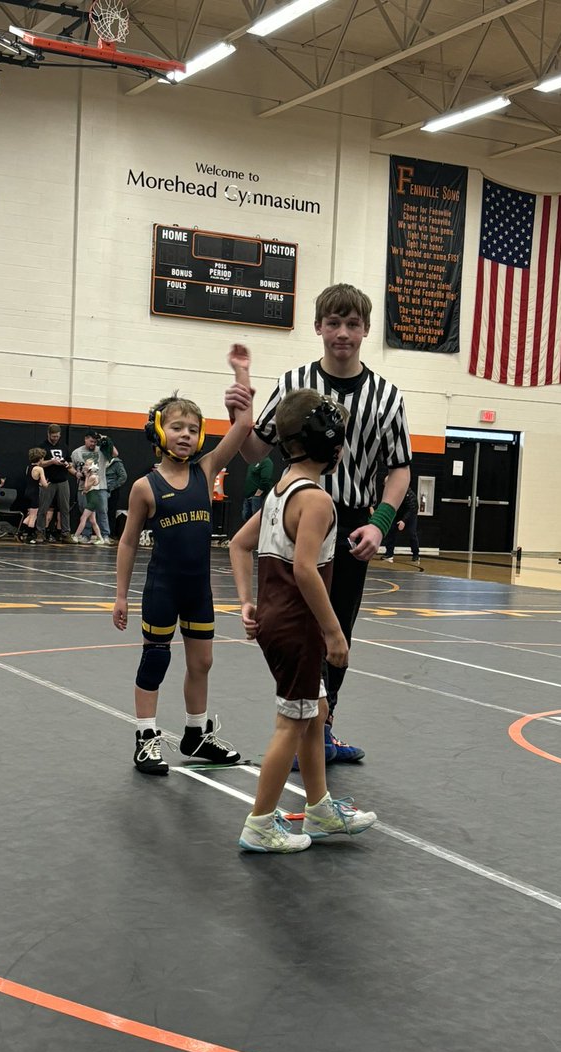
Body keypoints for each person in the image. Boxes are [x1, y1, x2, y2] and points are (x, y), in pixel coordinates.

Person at [226, 283, 411, 763]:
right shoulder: (292, 384)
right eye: (334, 323)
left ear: (366, 330)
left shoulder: (387, 397)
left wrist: (380, 523)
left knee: (337, 629)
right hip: (294, 512)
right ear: (318, 327)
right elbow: (254, 451)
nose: (343, 333)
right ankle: (300, 724)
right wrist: (239, 416)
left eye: (352, 324)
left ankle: (319, 729)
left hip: (351, 524)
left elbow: (400, 467)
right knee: (295, 625)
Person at [229, 388, 377, 852]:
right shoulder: (315, 501)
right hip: (299, 626)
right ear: (331, 444)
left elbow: (238, 542)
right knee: (291, 723)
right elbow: (306, 569)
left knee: (316, 713)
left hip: (278, 619)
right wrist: (334, 632)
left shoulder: (278, 490)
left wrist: (247, 601)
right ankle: (260, 824)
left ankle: (319, 809)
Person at [113, 344, 255, 776]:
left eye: (193, 429)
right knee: (156, 658)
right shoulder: (145, 486)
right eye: (177, 427)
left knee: (202, 662)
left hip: (198, 590)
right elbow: (127, 543)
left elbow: (245, 425)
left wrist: (242, 373)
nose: (186, 435)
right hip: (163, 589)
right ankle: (146, 737)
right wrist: (121, 595)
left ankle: (195, 732)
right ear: (158, 430)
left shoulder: (206, 470)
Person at [71, 431, 113, 542]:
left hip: (98, 488)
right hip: (86, 488)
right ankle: (89, 535)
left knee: (101, 511)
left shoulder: (102, 450)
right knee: (90, 518)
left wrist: (106, 439)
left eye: (95, 442)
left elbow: (115, 453)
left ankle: (104, 535)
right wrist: (77, 473)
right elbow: (71, 467)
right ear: (85, 439)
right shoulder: (77, 452)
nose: (93, 444)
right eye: (91, 441)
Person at [36, 424, 73, 542]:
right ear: (48, 434)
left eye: (57, 436)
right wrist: (52, 462)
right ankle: (40, 532)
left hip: (62, 480)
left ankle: (65, 533)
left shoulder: (63, 446)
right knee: (43, 508)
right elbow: (39, 463)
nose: (55, 438)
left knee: (65, 508)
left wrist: (68, 464)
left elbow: (69, 461)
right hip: (48, 481)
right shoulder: (42, 447)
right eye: (53, 436)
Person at [72, 456, 107, 545]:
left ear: (91, 466)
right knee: (93, 521)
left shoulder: (92, 477)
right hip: (92, 498)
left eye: (87, 465)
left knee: (83, 518)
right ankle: (100, 538)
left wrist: (87, 476)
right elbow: (86, 489)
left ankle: (76, 536)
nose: (85, 466)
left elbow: (86, 487)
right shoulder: (92, 476)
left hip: (93, 500)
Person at [18, 449, 49, 543]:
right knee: (33, 516)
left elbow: (31, 480)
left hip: (27, 492)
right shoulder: (40, 469)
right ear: (40, 459)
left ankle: (20, 532)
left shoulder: (28, 467)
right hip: (34, 494)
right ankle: (30, 536)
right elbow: (44, 484)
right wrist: (47, 483)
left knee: (30, 515)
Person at [382, 486, 420, 563]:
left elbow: (412, 508)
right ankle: (389, 553)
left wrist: (403, 521)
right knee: (390, 530)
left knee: (412, 534)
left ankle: (416, 554)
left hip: (410, 515)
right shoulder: (391, 493)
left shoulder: (410, 494)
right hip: (397, 514)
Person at [242, 457, 274, 522]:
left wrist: (258, 494)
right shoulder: (253, 462)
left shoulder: (266, 462)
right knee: (247, 521)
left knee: (257, 522)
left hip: (258, 498)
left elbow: (266, 479)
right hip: (248, 497)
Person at [106, 447, 128, 538]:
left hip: (112, 491)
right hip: (100, 489)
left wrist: (112, 486)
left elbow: (123, 477)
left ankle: (110, 533)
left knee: (110, 512)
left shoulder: (117, 463)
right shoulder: (99, 461)